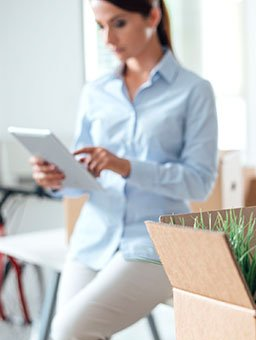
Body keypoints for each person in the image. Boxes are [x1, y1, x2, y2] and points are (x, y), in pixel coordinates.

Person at [30, 0, 218, 339]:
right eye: (101, 27)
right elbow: (85, 176)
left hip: (156, 242)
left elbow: (199, 182)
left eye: (118, 23)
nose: (108, 40)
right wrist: (57, 179)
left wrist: (126, 166)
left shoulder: (194, 91)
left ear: (153, 15)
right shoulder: (95, 92)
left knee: (68, 330)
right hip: (93, 238)